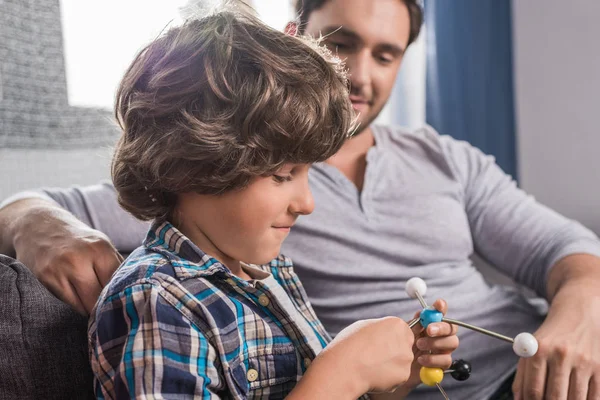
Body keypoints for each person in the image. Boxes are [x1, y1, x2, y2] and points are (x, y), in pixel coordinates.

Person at [0, 0, 599, 398]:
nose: (361, 75)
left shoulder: (270, 266)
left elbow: (566, 247)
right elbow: (35, 205)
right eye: (343, 43)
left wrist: (399, 373)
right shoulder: (165, 289)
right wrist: (38, 225)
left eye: (386, 55)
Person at [81, 2, 459, 398]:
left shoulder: (270, 273)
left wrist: (390, 376)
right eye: (282, 175)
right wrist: (344, 372)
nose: (307, 203)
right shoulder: (159, 300)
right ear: (192, 164)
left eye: (309, 172)